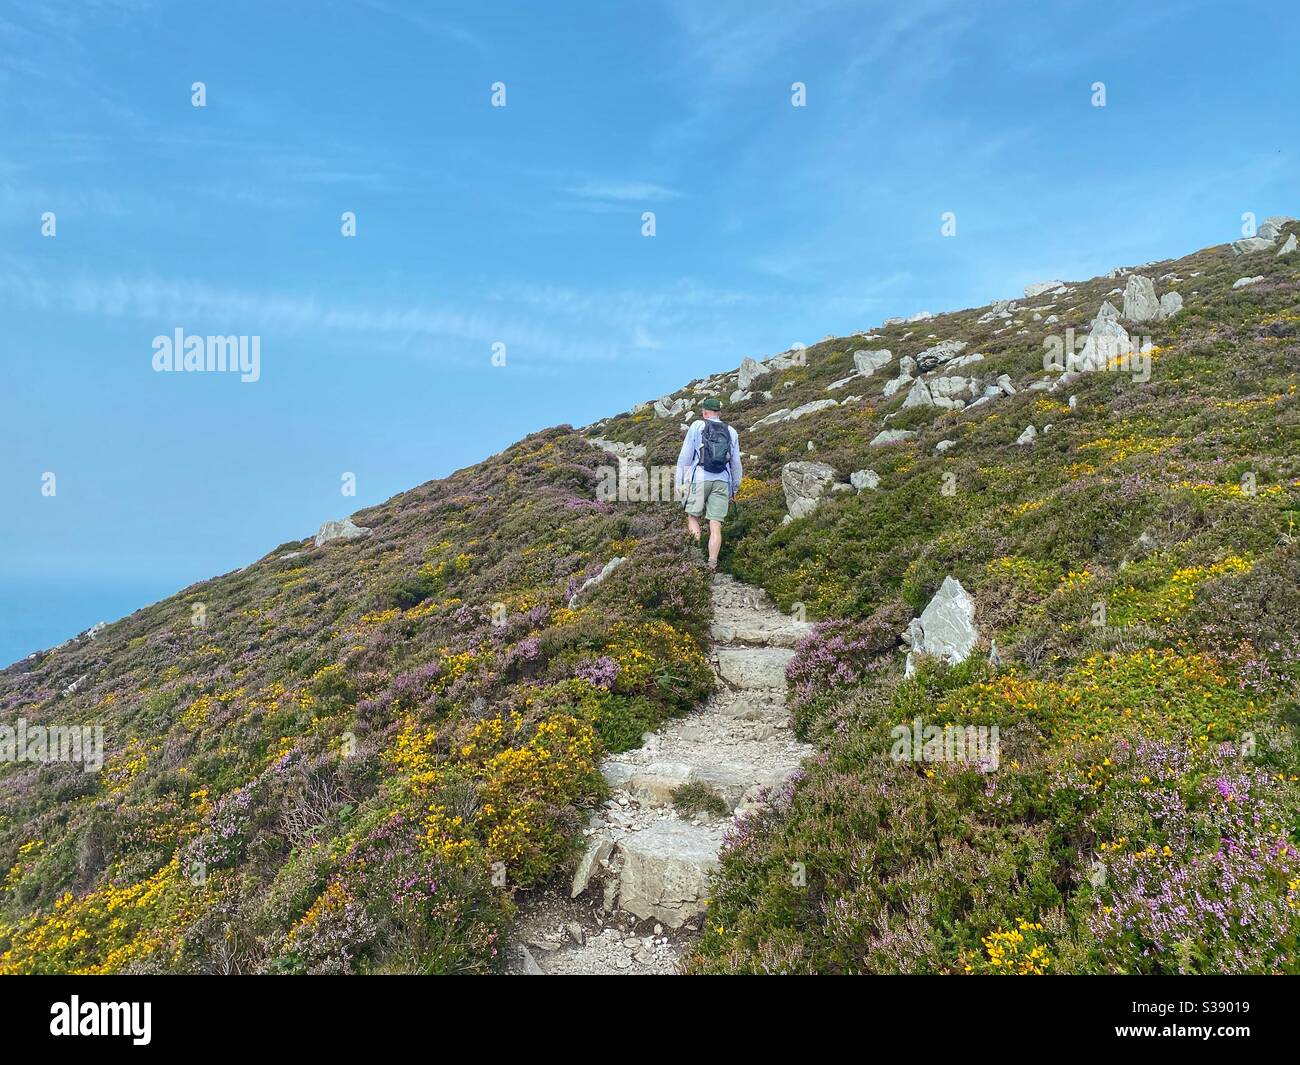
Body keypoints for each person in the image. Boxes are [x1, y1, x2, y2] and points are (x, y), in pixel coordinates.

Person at [675, 397, 743, 569]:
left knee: (692, 517)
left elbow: (685, 456)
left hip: (699, 479)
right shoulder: (731, 431)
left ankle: (694, 557)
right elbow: (735, 462)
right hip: (722, 481)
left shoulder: (697, 426)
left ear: (704, 412)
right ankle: (712, 563)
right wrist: (734, 487)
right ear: (719, 412)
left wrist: (679, 481)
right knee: (715, 524)